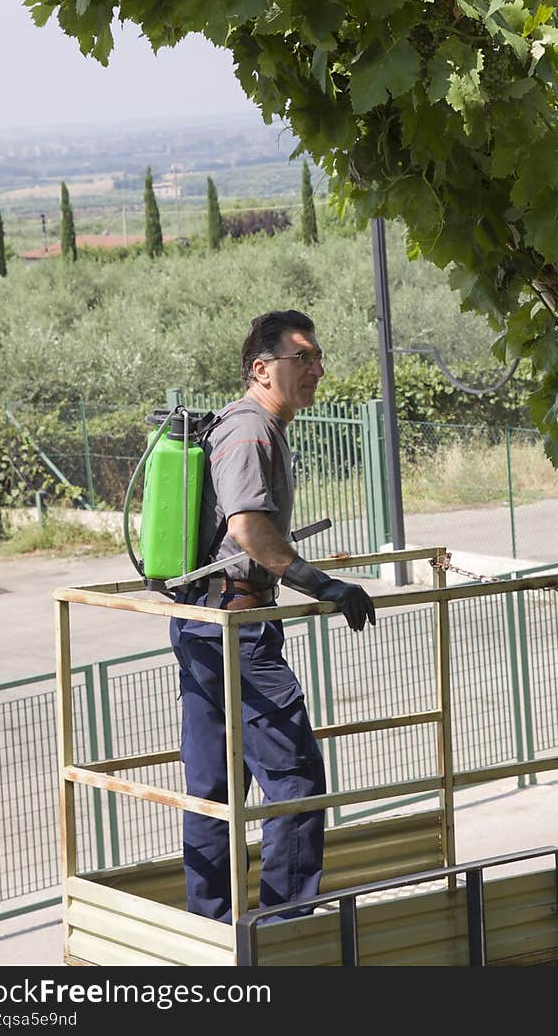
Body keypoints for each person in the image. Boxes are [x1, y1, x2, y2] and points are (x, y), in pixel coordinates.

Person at [169, 309, 376, 923]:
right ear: (262, 369)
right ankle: (282, 935)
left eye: (317, 358)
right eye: (303, 358)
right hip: (236, 627)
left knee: (214, 786)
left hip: (208, 622)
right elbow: (250, 530)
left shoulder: (255, 427)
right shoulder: (249, 431)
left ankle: (211, 930)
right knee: (295, 780)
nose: (317, 369)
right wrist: (324, 585)